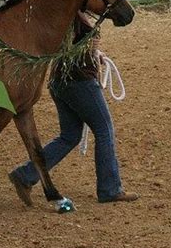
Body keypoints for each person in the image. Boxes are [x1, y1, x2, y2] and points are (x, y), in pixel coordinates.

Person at [8, 12, 139, 205]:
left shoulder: (65, 14)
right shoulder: (75, 16)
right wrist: (89, 49)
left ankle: (27, 174)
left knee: (69, 136)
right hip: (79, 81)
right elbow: (71, 48)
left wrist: (95, 53)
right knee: (104, 130)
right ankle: (110, 189)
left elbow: (64, 47)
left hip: (60, 81)